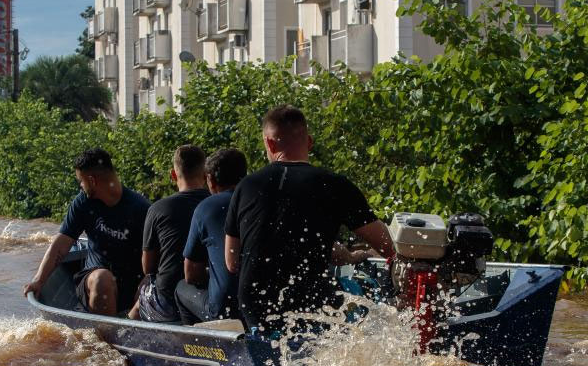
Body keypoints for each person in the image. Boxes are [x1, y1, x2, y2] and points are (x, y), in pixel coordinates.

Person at [224, 105, 395, 337]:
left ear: (269, 144)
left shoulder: (247, 186)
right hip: (310, 298)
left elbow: (232, 262)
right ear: (310, 142)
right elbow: (387, 245)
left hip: (255, 301)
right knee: (369, 306)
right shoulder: (335, 185)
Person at [23, 148, 150, 317]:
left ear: (92, 180)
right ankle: (103, 337)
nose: (81, 187)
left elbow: (155, 258)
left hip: (132, 285)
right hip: (94, 280)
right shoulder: (83, 203)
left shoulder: (141, 208)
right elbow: (61, 244)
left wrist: (147, 283)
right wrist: (39, 281)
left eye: (81, 182)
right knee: (102, 279)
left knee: (148, 286)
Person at [132, 145, 211, 322]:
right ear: (206, 175)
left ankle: (124, 335)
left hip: (168, 302)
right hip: (206, 296)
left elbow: (148, 267)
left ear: (173, 175)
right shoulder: (216, 204)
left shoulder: (158, 208)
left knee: (142, 293)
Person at [176, 148, 247, 325]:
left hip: (226, 310)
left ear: (210, 180)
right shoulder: (258, 201)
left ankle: (196, 344)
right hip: (260, 303)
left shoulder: (205, 208)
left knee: (181, 288)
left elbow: (191, 274)